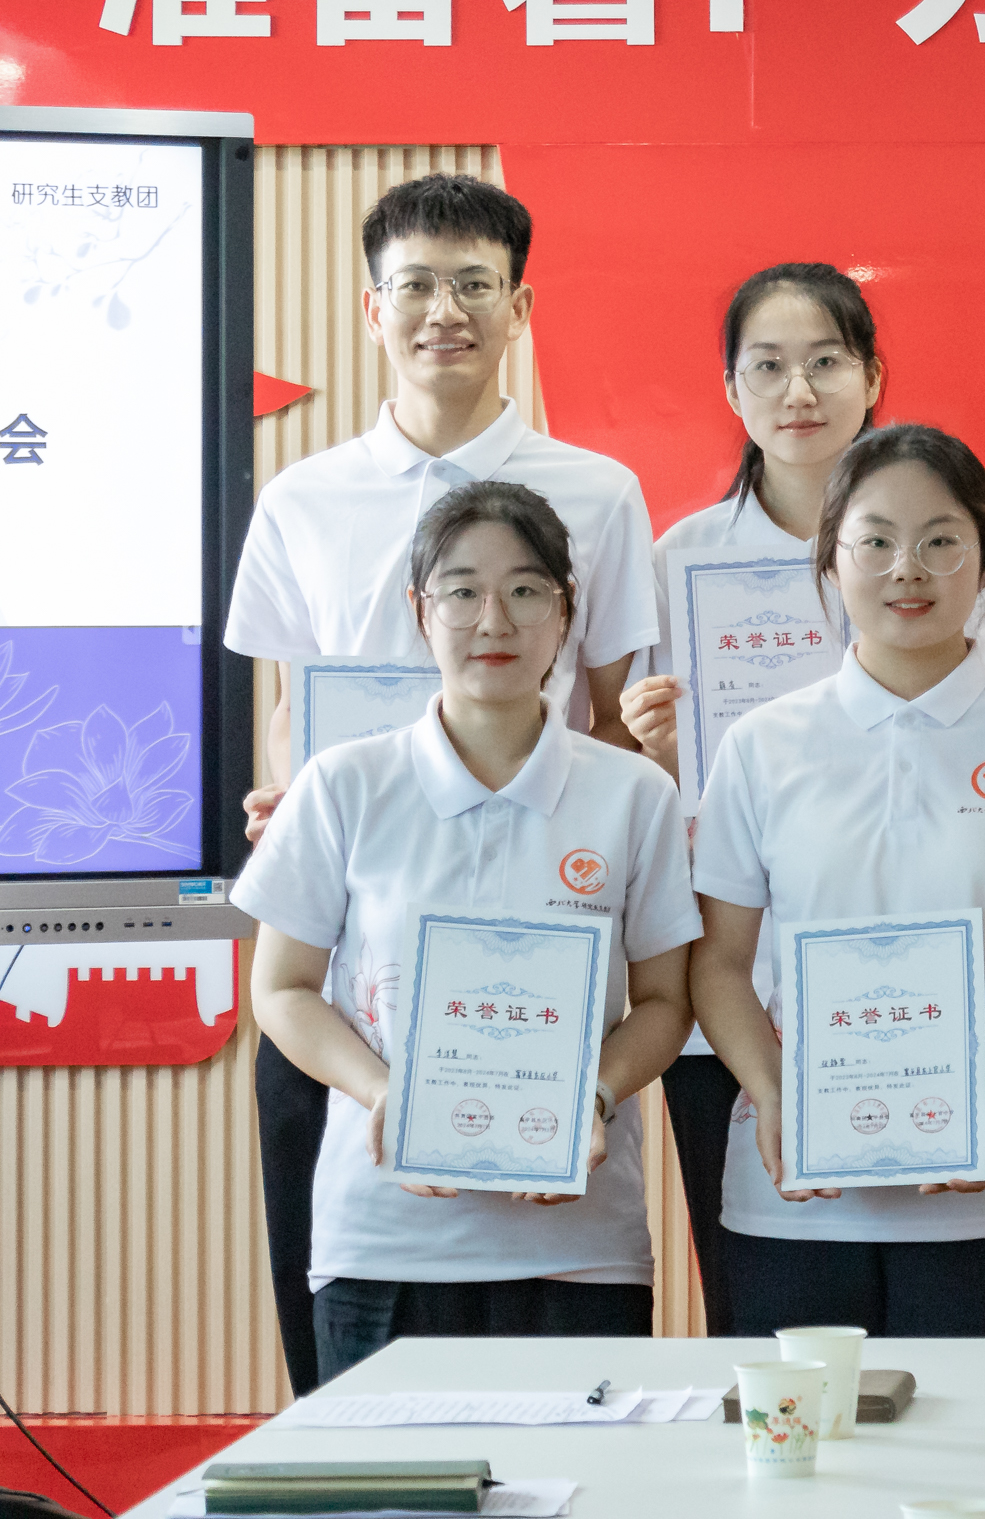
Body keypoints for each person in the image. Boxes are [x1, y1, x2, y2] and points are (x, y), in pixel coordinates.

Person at [224, 173, 657, 1395]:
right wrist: (296, 804)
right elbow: (288, 709)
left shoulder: (598, 490)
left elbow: (617, 717)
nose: (444, 311)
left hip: (540, 970)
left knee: (561, 1360)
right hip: (351, 969)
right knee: (348, 1335)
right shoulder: (303, 497)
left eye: (475, 284)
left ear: (520, 307)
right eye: (415, 284)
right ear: (373, 309)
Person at [616, 261, 985, 1335]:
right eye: (767, 367)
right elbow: (635, 785)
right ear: (731, 390)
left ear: (873, 377)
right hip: (738, 996)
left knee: (955, 1309)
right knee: (767, 1300)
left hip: (924, 989)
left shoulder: (938, 544)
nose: (798, 392)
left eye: (826, 362)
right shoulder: (681, 560)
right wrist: (653, 750)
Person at [690, 425, 985, 1336]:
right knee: (803, 1434)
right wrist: (776, 1094)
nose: (908, 569)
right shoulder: (762, 745)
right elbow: (719, 964)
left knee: (982, 1433)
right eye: (876, 541)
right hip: (795, 1203)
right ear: (831, 560)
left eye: (942, 541)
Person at [232, 482, 696, 1382]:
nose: (495, 620)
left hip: (580, 1245)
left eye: (526, 591)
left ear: (566, 614)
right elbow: (281, 990)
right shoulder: (343, 785)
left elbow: (667, 1003)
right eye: (462, 591)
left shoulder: (634, 793)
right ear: (420, 610)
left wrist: (593, 1096)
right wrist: (383, 1094)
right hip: (384, 1242)